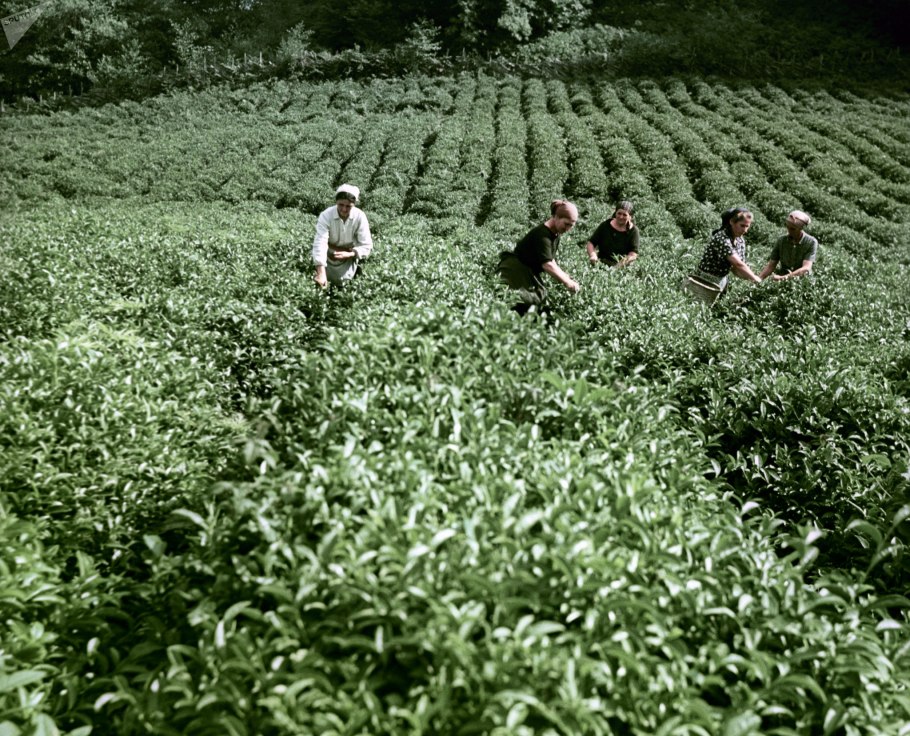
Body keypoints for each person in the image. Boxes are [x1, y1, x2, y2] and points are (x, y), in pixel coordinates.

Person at [497, 199, 581, 314]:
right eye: (566, 224)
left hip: (526, 270)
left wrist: (565, 276)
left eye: (571, 226)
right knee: (523, 302)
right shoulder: (542, 235)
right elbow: (547, 264)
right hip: (514, 270)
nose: (568, 229)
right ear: (556, 217)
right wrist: (567, 283)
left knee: (539, 298)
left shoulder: (555, 234)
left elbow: (551, 259)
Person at [312, 184, 373, 289]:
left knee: (345, 286)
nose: (344, 209)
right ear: (336, 202)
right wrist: (321, 272)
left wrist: (350, 254)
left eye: (348, 206)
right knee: (323, 284)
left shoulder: (359, 217)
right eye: (341, 205)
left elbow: (367, 245)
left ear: (354, 205)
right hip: (327, 255)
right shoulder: (326, 215)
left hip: (349, 257)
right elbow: (320, 243)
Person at [758, 210, 818, 281]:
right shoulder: (781, 241)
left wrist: (783, 278)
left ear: (801, 228)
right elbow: (771, 265)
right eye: (788, 227)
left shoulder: (811, 242)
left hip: (802, 280)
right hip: (783, 278)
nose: (789, 231)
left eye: (793, 229)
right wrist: (759, 279)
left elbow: (806, 268)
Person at [585, 200, 639, 268]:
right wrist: (593, 255)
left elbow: (633, 254)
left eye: (624, 215)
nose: (621, 217)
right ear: (615, 213)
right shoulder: (605, 225)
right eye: (619, 213)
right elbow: (591, 243)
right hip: (601, 263)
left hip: (621, 267)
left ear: (630, 216)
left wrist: (618, 266)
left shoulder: (633, 231)